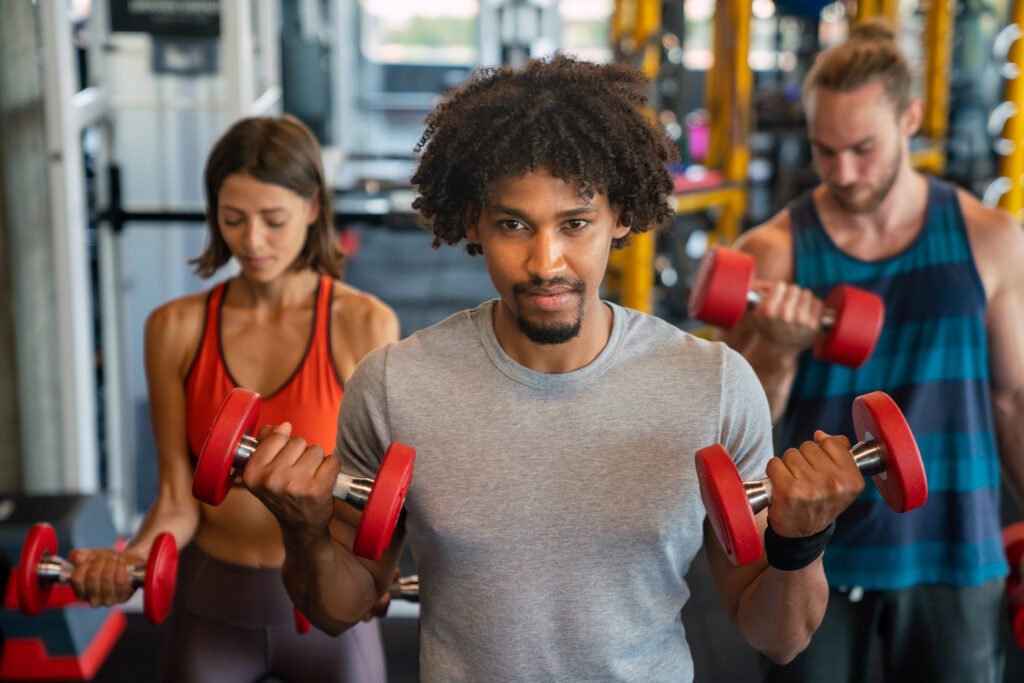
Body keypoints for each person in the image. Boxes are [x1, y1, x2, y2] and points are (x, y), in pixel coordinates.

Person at [242, 56, 871, 682]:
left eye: (575, 224)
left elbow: (779, 637)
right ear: (473, 222)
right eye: (515, 225)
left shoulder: (713, 386)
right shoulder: (393, 386)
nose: (546, 263)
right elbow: (341, 607)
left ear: (620, 216)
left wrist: (801, 543)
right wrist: (304, 532)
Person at [720, 21, 1024, 683]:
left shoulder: (992, 239)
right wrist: (777, 345)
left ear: (910, 119)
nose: (844, 173)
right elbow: (740, 423)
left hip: (956, 542)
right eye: (825, 152)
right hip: (818, 547)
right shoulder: (774, 251)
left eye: (863, 148)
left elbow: (1011, 398)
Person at [66, 115, 399, 682]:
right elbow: (176, 495)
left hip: (327, 607)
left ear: (314, 208)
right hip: (214, 600)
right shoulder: (175, 328)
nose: (252, 241)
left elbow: (380, 501)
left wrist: (375, 577)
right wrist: (131, 560)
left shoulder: (364, 325)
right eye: (233, 219)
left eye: (274, 220)